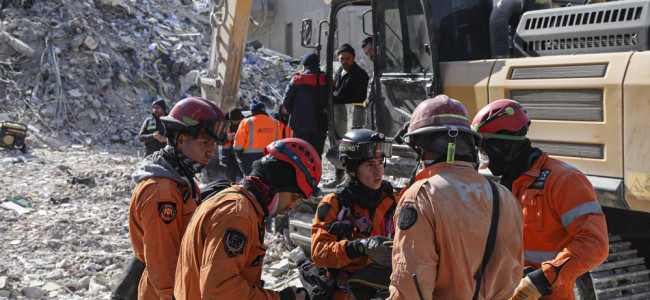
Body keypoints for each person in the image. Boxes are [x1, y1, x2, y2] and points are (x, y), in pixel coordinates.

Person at [388, 95, 524, 299]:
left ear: (421, 148)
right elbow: (512, 274)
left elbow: (411, 284)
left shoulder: (421, 196)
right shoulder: (504, 196)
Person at [471, 99, 609, 300]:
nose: (485, 159)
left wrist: (541, 280)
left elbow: (594, 244)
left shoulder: (564, 180)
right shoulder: (508, 187)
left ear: (503, 146)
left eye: (485, 151)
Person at [174, 138, 321, 300]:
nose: (292, 207)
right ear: (279, 184)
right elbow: (218, 291)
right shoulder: (237, 214)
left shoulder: (242, 205)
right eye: (294, 196)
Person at [128, 97, 228, 300]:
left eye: (213, 144)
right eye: (204, 142)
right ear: (181, 140)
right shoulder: (161, 192)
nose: (211, 151)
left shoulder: (180, 179)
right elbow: (163, 261)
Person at [311, 129, 397, 300]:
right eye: (370, 165)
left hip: (386, 289)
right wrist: (358, 247)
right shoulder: (335, 203)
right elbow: (319, 253)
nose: (378, 171)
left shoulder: (392, 197)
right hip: (348, 291)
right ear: (352, 169)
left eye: (380, 163)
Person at [327, 44, 370, 188]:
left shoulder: (359, 74)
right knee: (339, 145)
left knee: (351, 147)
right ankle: (338, 175)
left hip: (353, 116)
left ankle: (351, 178)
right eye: (342, 59)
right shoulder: (340, 72)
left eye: (348, 59)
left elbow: (354, 97)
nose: (344, 61)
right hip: (340, 116)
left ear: (353, 58)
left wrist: (337, 96)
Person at [282, 51, 328, 157]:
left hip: (300, 128)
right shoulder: (326, 79)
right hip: (320, 127)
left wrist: (293, 113)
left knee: (298, 157)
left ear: (305, 65)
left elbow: (286, 102)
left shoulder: (298, 79)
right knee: (315, 157)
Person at [233, 100, 280, 176]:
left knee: (250, 183)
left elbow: (238, 144)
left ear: (252, 110)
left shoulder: (246, 122)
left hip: (249, 160)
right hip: (269, 157)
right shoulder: (275, 123)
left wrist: (239, 155)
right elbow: (279, 142)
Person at [220, 107, 245, 182]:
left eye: (237, 121)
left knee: (245, 178)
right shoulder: (223, 124)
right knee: (230, 180)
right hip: (229, 157)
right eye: (234, 121)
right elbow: (218, 141)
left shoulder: (245, 123)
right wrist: (227, 139)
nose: (236, 123)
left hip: (241, 155)